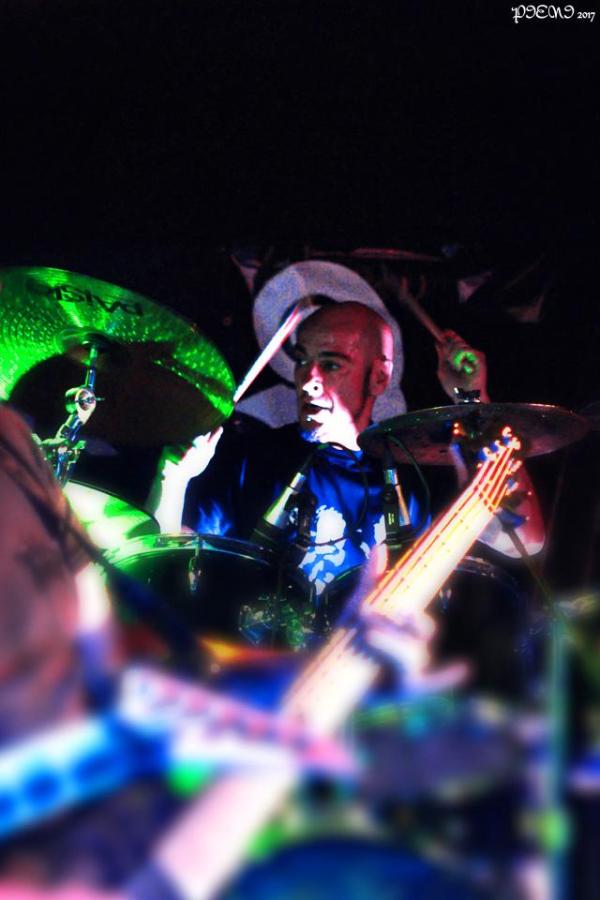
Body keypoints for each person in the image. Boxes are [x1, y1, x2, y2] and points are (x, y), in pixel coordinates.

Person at [149, 301, 544, 614]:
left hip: (371, 676)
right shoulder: (255, 456)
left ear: (379, 377)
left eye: (331, 364)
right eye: (302, 360)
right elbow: (166, 565)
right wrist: (173, 481)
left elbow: (524, 541)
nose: (309, 379)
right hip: (261, 668)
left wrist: (473, 400)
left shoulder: (416, 468)